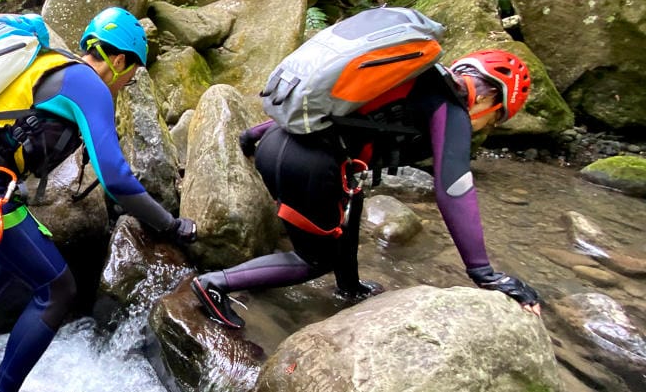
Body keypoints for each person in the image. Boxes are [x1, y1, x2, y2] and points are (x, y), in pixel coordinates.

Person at [0, 7, 197, 392]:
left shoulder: (58, 68)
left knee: (27, 247)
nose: (130, 82)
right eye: (134, 71)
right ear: (120, 60)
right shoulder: (89, 85)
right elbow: (115, 178)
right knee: (57, 288)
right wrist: (168, 224)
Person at [192, 41, 542, 329]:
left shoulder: (409, 80)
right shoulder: (450, 106)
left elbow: (330, 113)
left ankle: (349, 287)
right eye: (497, 118)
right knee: (314, 260)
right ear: (487, 99)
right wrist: (484, 273)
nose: (488, 126)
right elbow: (454, 189)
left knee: (348, 210)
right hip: (308, 164)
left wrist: (252, 135)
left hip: (281, 146)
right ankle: (215, 284)